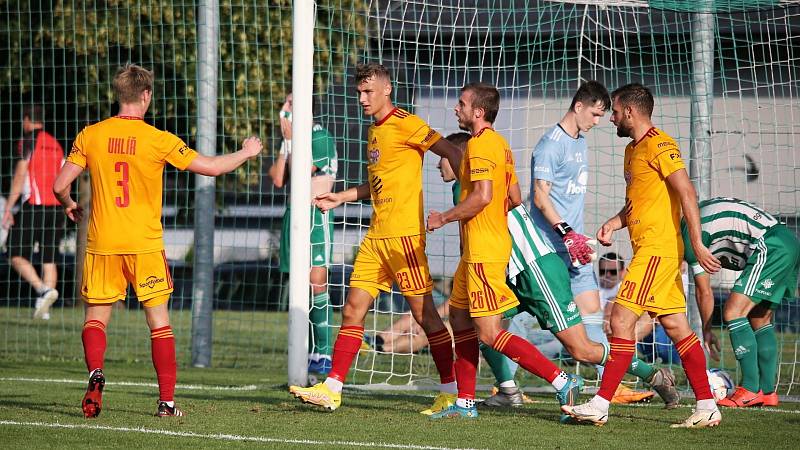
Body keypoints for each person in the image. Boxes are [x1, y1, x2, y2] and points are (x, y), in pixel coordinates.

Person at [52, 64, 262, 418]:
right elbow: (210, 167)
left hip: (103, 242)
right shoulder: (158, 139)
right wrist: (247, 152)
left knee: (95, 319)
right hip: (145, 245)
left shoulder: (91, 135)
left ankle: (96, 373)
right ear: (146, 95)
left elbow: (59, 186)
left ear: (118, 95)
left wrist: (71, 205)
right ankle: (166, 403)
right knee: (159, 323)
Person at [289, 63, 463, 414]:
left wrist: (470, 197)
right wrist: (341, 197)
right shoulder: (375, 131)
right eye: (359, 93)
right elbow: (378, 183)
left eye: (368, 92)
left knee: (426, 317)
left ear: (386, 90)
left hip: (404, 241)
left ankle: (450, 390)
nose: (362, 98)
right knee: (352, 309)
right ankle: (333, 387)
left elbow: (453, 152)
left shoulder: (407, 123)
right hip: (375, 238)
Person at [563, 83, 723, 428]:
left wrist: (696, 243)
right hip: (649, 249)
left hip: (657, 251)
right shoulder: (632, 151)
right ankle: (707, 404)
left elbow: (687, 191)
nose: (612, 118)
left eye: (616, 112)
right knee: (678, 326)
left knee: (620, 320)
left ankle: (601, 403)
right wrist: (614, 222)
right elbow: (639, 201)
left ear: (631, 112)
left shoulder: (660, 144)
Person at [425, 82, 582, 420]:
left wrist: (445, 217)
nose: (457, 108)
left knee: (490, 333)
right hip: (479, 250)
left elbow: (482, 197)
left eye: (462, 103)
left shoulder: (481, 145)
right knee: (459, 318)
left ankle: (562, 380)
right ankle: (466, 404)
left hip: (484, 251)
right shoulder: (501, 145)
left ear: (478, 112)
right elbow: (513, 196)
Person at [683, 197, 799, 408]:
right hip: (787, 241)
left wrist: (707, 329)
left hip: (769, 245)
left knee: (733, 312)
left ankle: (750, 389)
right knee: (759, 318)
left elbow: (704, 291)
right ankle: (767, 392)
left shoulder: (689, 235)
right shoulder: (700, 210)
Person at [530, 81, 609, 376]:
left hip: (573, 248)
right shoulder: (551, 144)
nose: (597, 121)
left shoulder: (580, 140)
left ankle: (607, 386)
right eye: (594, 114)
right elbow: (540, 197)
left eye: (601, 115)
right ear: (578, 107)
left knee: (591, 311)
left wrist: (574, 236)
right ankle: (507, 386)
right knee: (507, 317)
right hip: (546, 249)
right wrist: (566, 232)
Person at [365, 132, 470, 355]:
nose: (437, 164)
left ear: (455, 155)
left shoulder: (469, 188)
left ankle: (380, 348)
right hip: (479, 265)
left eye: (441, 156)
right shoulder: (459, 188)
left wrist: (442, 219)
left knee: (445, 328)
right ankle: (381, 340)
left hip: (494, 267)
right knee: (430, 313)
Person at [269, 93, 338, 376]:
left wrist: (291, 138)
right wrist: (287, 142)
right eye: (285, 105)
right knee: (299, 285)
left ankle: (323, 352)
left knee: (316, 283)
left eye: (291, 105)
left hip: (314, 216)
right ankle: (307, 351)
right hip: (293, 216)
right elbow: (277, 178)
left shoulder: (319, 137)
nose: (285, 110)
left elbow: (300, 174)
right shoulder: (294, 140)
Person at [2, 105, 64, 320]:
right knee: (49, 259)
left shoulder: (28, 140)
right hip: (56, 208)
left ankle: (42, 290)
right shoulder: (56, 145)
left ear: (28, 119)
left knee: (14, 253)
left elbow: (20, 176)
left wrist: (8, 207)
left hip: (34, 204)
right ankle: (43, 311)